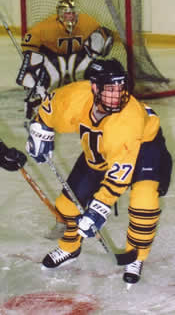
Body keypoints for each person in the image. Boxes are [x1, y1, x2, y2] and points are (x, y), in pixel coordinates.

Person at [25, 58, 172, 287]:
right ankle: (70, 248)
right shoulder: (75, 96)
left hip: (145, 146)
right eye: (110, 89)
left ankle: (136, 256)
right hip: (102, 148)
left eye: (121, 88)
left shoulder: (127, 119)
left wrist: (99, 208)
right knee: (66, 206)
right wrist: (39, 130)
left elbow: (118, 175)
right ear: (94, 87)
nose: (117, 94)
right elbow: (48, 109)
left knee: (144, 201)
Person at [16, 0, 113, 119]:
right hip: (53, 59)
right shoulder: (45, 27)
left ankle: (94, 94)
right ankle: (37, 96)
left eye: (73, 13)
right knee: (33, 58)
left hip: (77, 59)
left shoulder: (86, 21)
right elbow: (28, 46)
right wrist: (33, 70)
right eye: (67, 13)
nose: (70, 16)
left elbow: (103, 35)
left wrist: (102, 41)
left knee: (97, 41)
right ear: (60, 14)